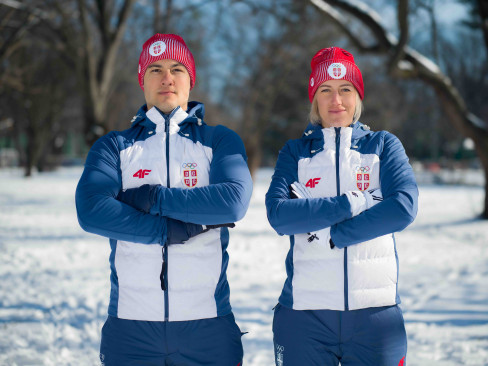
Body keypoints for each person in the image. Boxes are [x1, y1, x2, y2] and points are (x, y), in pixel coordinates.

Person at [76, 33, 252, 366]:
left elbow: (231, 202)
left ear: (191, 79)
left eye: (177, 69)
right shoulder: (114, 147)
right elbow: (91, 210)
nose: (166, 78)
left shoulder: (219, 140)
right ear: (142, 79)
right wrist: (166, 232)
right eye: (155, 69)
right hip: (130, 327)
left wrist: (151, 196)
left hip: (209, 325)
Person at [265, 47, 418, 366]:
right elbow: (279, 216)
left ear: (358, 96)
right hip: (303, 318)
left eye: (345, 89)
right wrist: (357, 201)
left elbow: (403, 206)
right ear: (314, 99)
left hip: (376, 317)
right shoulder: (295, 153)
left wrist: (339, 233)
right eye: (326, 91)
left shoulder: (383, 146)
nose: (336, 100)